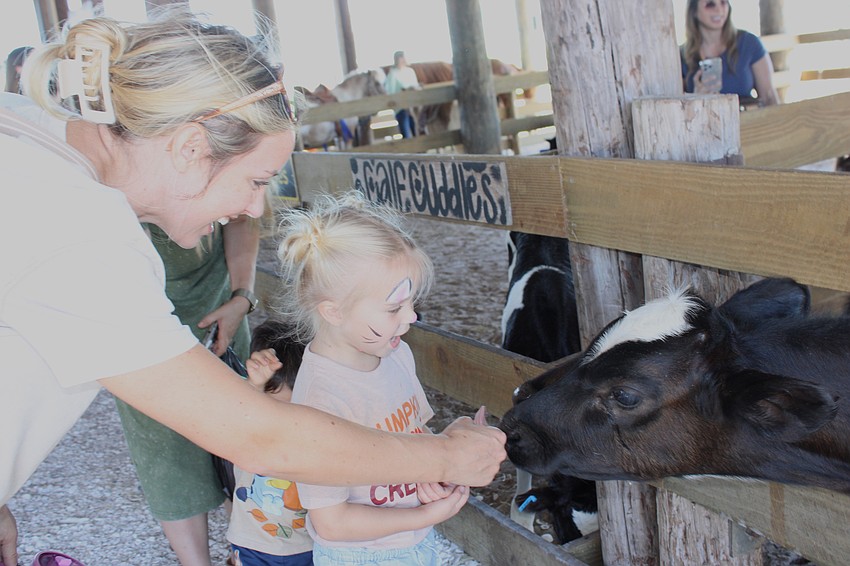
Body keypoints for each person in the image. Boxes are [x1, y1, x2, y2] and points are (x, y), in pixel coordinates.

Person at [0, 9, 506, 566]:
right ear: (191, 147)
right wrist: (442, 459)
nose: (253, 207)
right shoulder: (80, 232)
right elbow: (259, 436)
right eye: (256, 180)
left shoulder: (28, 138)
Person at [275, 191, 471, 565]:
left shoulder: (396, 353)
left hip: (413, 543)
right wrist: (424, 516)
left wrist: (432, 474)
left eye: (412, 303)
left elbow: (415, 433)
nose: (411, 317)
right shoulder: (320, 401)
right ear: (333, 311)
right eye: (394, 307)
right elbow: (332, 521)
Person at [114, 220, 259, 566]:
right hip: (142, 322)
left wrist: (243, 295)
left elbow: (244, 216)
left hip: (221, 308)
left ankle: (250, 549)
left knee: (242, 443)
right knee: (162, 448)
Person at [226, 319, 313, 566]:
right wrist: (254, 384)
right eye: (279, 407)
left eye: (300, 408)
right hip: (254, 544)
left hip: (309, 545)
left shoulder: (321, 423)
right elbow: (235, 416)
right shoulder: (249, 415)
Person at [680, 0, 779, 108]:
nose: (719, 10)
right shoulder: (682, 55)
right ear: (693, 11)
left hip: (747, 120)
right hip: (704, 121)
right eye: (710, 4)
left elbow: (769, 97)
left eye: (723, 2)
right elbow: (678, 110)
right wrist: (695, 99)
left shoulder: (749, 43)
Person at [384, 50, 420, 138]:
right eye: (400, 58)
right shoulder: (392, 73)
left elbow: (415, 85)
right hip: (401, 107)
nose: (402, 60)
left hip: (413, 105)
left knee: (416, 130)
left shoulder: (410, 71)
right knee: (406, 133)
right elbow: (390, 90)